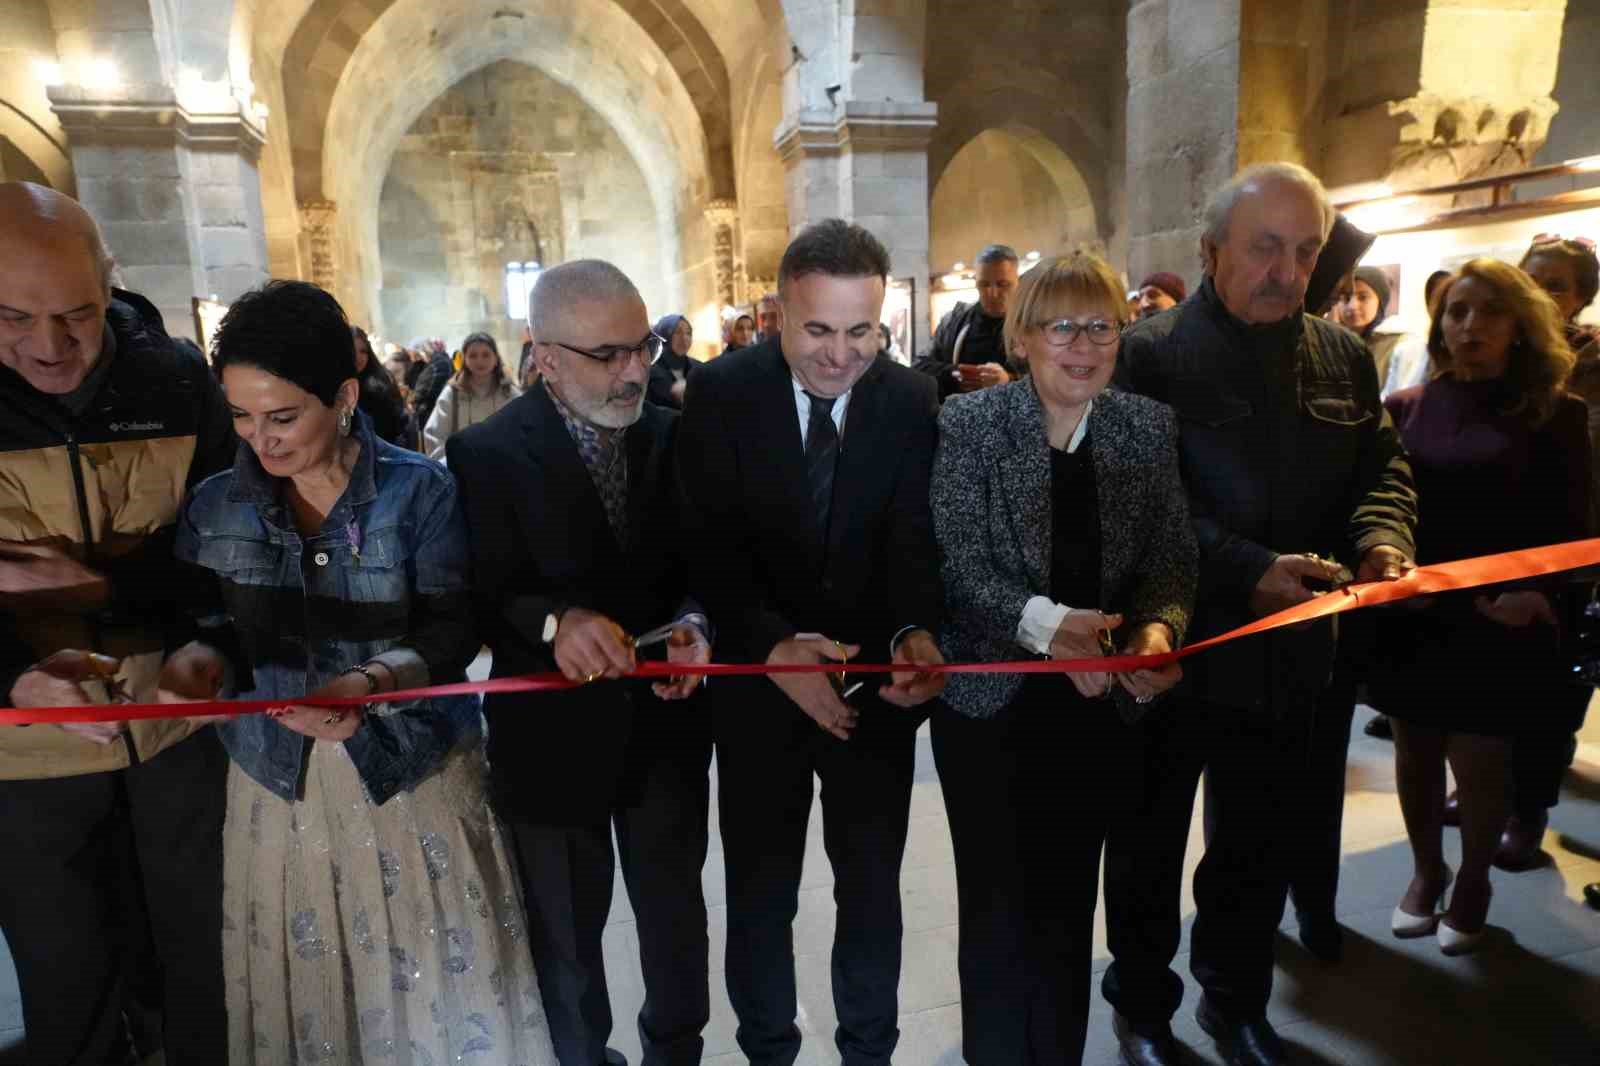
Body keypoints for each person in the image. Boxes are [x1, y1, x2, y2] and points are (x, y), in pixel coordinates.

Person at [162, 280, 556, 1063]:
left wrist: (371, 684)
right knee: (317, 999)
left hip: (406, 775)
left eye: (282, 417)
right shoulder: (216, 505)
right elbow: (205, 631)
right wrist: (197, 665)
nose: (260, 441)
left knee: (430, 991)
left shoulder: (419, 491)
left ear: (342, 397)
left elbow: (449, 632)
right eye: (240, 416)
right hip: (280, 783)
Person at [1104, 163, 1417, 1066]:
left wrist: (1382, 538)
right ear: (1212, 252)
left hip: (1290, 660)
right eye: (1266, 248)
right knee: (1149, 847)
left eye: (1307, 250)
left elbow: (1382, 473)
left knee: (1254, 846)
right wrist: (1249, 569)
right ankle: (1143, 1004)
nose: (1288, 270)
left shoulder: (1343, 355)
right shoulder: (1150, 354)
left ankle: (1234, 1003)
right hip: (1175, 643)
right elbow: (1138, 500)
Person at [677, 219, 948, 1066]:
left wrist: (913, 635)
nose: (840, 356)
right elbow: (706, 545)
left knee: (871, 890)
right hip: (760, 693)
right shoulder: (722, 392)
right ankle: (769, 1048)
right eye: (819, 330)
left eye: (862, 331)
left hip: (873, 692)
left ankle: (870, 1050)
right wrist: (773, 651)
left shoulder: (909, 398)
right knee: (762, 895)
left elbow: (911, 540)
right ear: (778, 315)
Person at [931, 251, 1196, 1065]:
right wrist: (1051, 627)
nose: (1083, 345)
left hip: (1096, 712)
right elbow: (957, 561)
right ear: (1023, 334)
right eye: (1062, 326)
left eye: (1102, 326)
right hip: (994, 710)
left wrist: (1157, 632)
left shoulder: (1144, 428)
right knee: (997, 909)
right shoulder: (970, 424)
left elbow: (1171, 560)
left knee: (1067, 906)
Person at [449, 260, 714, 1066]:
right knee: (565, 942)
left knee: (675, 926)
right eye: (608, 355)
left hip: (664, 732)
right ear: (546, 356)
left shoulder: (675, 439)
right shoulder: (485, 453)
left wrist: (699, 624)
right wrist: (554, 621)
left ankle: (676, 1052)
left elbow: (712, 563)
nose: (634, 370)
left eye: (642, 348)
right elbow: (477, 592)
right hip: (550, 743)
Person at [0, 181, 235, 1064]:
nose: (48, 347)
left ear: (112, 280)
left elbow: (222, 545)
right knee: (69, 989)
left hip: (174, 734)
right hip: (26, 756)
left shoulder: (175, 381)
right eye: (12, 317)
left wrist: (209, 638)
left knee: (204, 973)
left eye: (77, 313)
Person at [1373, 258, 1589, 955]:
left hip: (1503, 617)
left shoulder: (1558, 413)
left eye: (1489, 312)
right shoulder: (1405, 408)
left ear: (1520, 328)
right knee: (1415, 750)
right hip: (1417, 614)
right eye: (1457, 311)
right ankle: (1425, 870)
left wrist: (1537, 594)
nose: (1470, 327)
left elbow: (1577, 528)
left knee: (1481, 761)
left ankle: (1472, 879)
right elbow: (1383, 509)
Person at [915, 244, 1021, 399]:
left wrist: (1009, 380)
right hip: (960, 416)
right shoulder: (953, 322)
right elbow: (920, 366)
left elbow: (1052, 380)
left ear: (1017, 282)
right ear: (976, 282)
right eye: (984, 284)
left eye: (1003, 284)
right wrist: (953, 374)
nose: (993, 293)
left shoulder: (1033, 324)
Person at [422, 331, 520, 459]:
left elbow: (526, 432)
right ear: (465, 360)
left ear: (496, 358)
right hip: (464, 472)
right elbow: (434, 435)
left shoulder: (510, 393)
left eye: (486, 355)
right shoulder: (452, 394)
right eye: (473, 355)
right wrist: (450, 465)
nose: (480, 361)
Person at [1381, 269, 1454, 400]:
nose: (1438, 307)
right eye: (1434, 298)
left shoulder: (1469, 358)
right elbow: (1387, 400)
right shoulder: (1405, 351)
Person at [352, 325, 412, 447]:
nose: (359, 357)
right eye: (353, 351)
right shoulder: (339, 388)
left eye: (363, 351)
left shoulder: (377, 384)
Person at [646, 313, 696, 410]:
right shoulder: (649, 371)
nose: (684, 338)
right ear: (663, 335)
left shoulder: (697, 367)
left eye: (688, 333)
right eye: (678, 332)